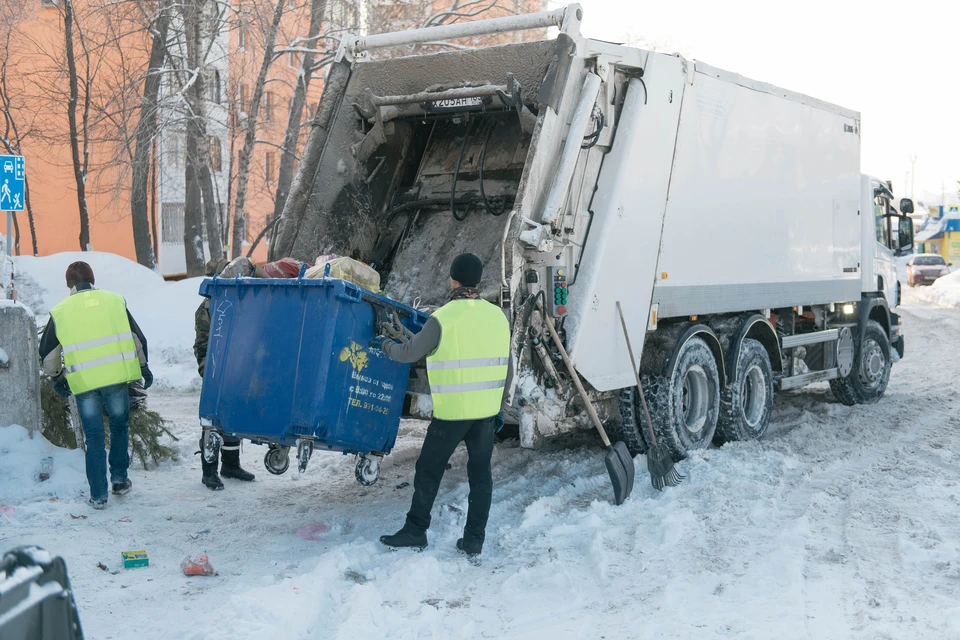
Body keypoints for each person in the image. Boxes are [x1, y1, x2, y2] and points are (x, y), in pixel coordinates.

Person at [373, 253, 511, 557]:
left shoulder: (443, 318)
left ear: (453, 280)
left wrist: (383, 345)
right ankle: (474, 539)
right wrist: (499, 406)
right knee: (480, 475)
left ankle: (415, 531)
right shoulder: (499, 317)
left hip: (453, 414)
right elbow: (507, 367)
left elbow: (409, 353)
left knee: (428, 470)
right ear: (478, 281)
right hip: (485, 415)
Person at [39, 261, 152, 510]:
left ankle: (99, 495)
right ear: (93, 279)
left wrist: (58, 377)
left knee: (94, 436)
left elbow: (48, 355)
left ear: (69, 284)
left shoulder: (61, 311)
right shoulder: (114, 301)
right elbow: (136, 338)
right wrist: (143, 367)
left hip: (86, 382)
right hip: (116, 378)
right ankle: (120, 480)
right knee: (120, 426)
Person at [194, 257, 256, 490]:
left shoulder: (239, 301)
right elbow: (201, 345)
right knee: (212, 421)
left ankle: (231, 464)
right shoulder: (208, 308)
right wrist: (205, 369)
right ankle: (208, 471)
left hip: (237, 370)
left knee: (233, 416)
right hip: (216, 372)